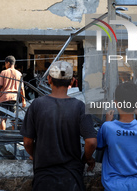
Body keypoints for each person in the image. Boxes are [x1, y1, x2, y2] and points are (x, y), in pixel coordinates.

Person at [20, 61, 97, 191]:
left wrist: (34, 154)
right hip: (72, 178)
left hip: (43, 178)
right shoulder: (79, 107)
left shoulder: (37, 105)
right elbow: (91, 142)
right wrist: (86, 159)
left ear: (49, 79)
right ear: (72, 81)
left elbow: (27, 142)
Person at [97, 82, 137, 191]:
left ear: (116, 103)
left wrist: (107, 121)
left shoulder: (107, 127)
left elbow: (100, 145)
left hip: (113, 186)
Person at [0, 55, 26, 130]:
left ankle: (2, 135)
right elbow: (22, 88)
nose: (5, 65)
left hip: (4, 98)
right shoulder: (19, 74)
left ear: (8, 63)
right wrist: (23, 100)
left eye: (5, 63)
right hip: (14, 98)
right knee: (13, 119)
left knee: (3, 119)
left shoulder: (3, 72)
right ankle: (13, 135)